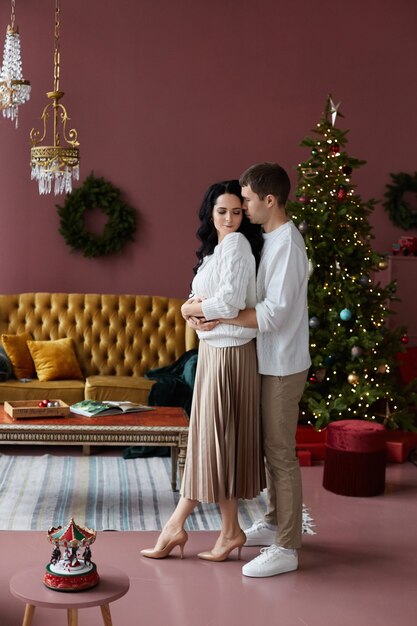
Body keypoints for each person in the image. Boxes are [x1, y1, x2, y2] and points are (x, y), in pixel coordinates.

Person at [141, 179, 266, 562]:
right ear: (210, 214)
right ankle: (226, 531)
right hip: (215, 352)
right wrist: (191, 311)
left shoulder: (238, 246)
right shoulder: (218, 250)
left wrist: (191, 310)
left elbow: (227, 304)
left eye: (236, 211)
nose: (229, 218)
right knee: (214, 441)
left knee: (215, 441)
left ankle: (178, 527)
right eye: (222, 211)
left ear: (245, 215)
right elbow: (202, 300)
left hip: (230, 356)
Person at [202, 163, 311, 577]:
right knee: (270, 450)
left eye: (246, 200)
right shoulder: (269, 239)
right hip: (267, 362)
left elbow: (275, 314)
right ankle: (272, 522)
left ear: (269, 200)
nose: (242, 207)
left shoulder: (287, 246)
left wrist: (219, 317)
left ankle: (287, 546)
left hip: (283, 364)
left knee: (281, 454)